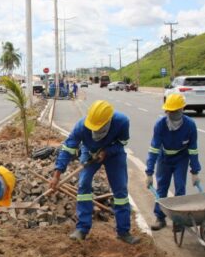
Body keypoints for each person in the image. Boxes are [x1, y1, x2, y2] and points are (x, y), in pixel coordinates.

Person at [50, 100, 140, 245]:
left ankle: (123, 231)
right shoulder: (82, 126)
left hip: (114, 155)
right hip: (90, 151)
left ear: (108, 121)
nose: (96, 131)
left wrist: (107, 151)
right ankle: (82, 229)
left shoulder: (121, 122)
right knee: (84, 185)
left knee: (120, 191)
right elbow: (67, 149)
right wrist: (56, 175)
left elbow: (122, 143)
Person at [146, 94, 201, 230]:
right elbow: (154, 149)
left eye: (176, 111)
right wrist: (149, 172)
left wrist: (195, 172)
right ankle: (160, 218)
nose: (173, 114)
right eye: (170, 111)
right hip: (164, 159)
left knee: (180, 187)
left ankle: (178, 220)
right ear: (166, 111)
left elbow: (193, 149)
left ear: (183, 109)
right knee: (162, 188)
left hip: (181, 159)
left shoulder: (190, 125)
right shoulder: (160, 125)